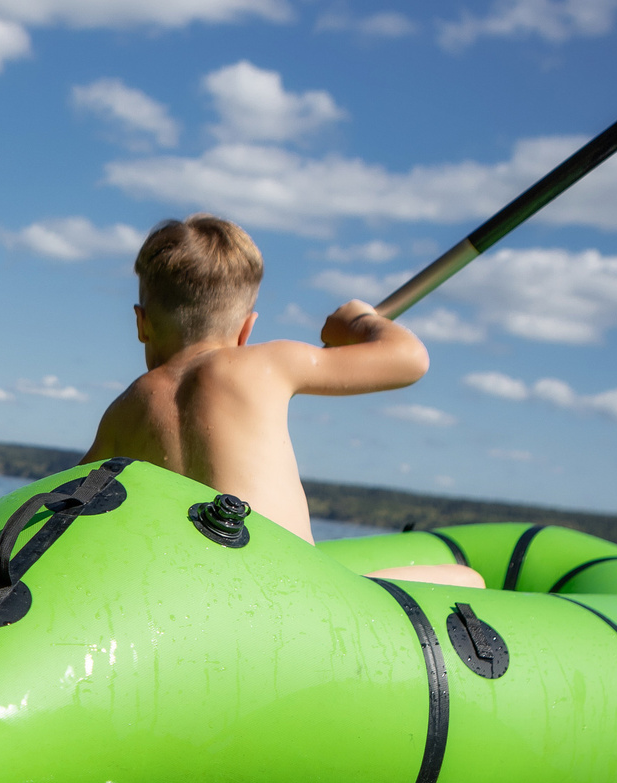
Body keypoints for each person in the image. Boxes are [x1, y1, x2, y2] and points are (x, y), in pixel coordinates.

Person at [83, 215, 483, 590]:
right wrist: (358, 320)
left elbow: (68, 498)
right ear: (247, 329)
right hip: (294, 592)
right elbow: (410, 359)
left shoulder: (126, 408)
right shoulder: (265, 363)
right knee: (468, 579)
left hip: (202, 592)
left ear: (141, 322)